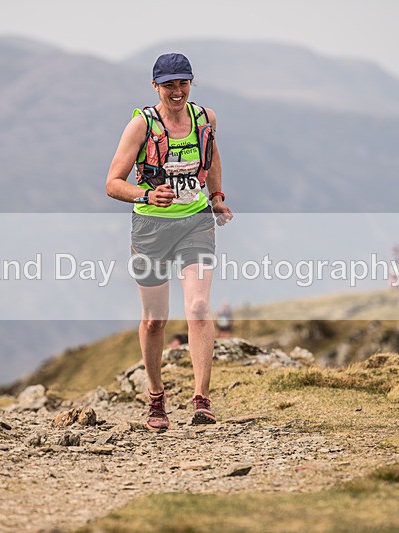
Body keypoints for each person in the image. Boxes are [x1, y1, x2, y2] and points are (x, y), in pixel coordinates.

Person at [106, 53, 233, 432]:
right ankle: (156, 398)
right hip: (151, 230)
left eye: (183, 83)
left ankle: (201, 400)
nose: (177, 92)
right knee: (155, 319)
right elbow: (113, 183)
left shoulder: (204, 118)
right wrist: (146, 196)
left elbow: (213, 157)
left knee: (197, 307)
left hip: (195, 222)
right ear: (155, 86)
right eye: (169, 85)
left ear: (191, 83)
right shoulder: (140, 126)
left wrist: (217, 197)